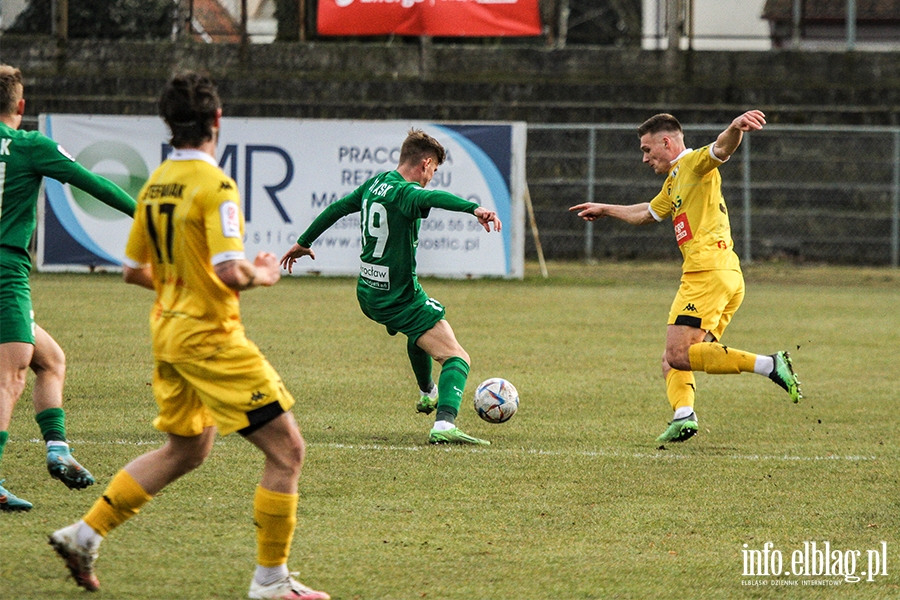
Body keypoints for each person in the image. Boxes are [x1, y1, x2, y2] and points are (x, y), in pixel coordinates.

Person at [49, 73, 330, 600]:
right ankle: (270, 581)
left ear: (168, 126)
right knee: (288, 451)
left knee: (187, 449)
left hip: (168, 335)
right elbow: (229, 271)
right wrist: (264, 272)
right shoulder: (216, 185)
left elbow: (134, 270)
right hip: (210, 338)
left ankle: (83, 534)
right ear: (217, 122)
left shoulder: (155, 185)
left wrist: (182, 285)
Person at [569, 111, 802, 444]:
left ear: (666, 142)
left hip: (706, 272)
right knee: (673, 360)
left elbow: (721, 150)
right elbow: (648, 213)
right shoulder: (675, 179)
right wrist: (606, 209)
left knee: (678, 355)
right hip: (724, 273)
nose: (645, 158)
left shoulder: (693, 163)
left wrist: (734, 127)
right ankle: (683, 416)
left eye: (647, 150)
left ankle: (770, 364)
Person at [280, 129, 502, 446]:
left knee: (430, 319)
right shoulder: (405, 193)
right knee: (457, 358)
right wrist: (474, 208)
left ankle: (428, 393)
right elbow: (430, 198)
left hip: (369, 293)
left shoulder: (375, 184)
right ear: (425, 163)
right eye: (434, 170)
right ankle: (444, 424)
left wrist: (303, 242)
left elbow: (337, 208)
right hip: (398, 298)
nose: (432, 178)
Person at [0, 64, 136, 512]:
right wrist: (152, 217)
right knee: (11, 374)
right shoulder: (31, 145)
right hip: (5, 273)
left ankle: (57, 449)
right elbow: (93, 184)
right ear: (21, 106)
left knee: (50, 359)